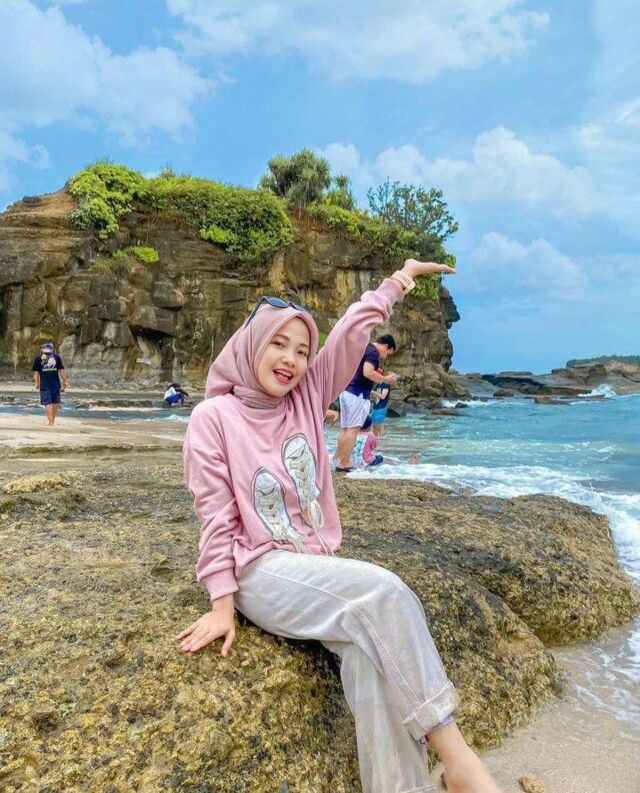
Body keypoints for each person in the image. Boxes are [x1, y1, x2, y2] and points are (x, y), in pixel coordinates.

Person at [177, 259, 502, 793]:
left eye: (303, 351)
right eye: (279, 344)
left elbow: (353, 329)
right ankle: (459, 759)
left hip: (313, 568)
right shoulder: (212, 418)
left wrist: (399, 279)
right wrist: (221, 604)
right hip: (259, 571)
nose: (291, 360)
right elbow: (214, 514)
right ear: (251, 344)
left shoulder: (306, 397)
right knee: (385, 591)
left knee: (369, 658)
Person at [334, 334, 398, 472]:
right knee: (353, 429)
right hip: (357, 394)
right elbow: (367, 372)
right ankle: (344, 463)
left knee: (345, 428)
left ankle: (339, 459)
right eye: (388, 353)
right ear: (386, 346)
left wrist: (377, 374)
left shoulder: (364, 347)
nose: (385, 356)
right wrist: (386, 379)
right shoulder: (373, 352)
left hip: (346, 390)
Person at [32, 342, 69, 427]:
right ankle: (52, 421)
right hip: (55, 384)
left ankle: (51, 422)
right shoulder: (56, 357)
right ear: (52, 349)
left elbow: (36, 373)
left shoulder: (38, 358)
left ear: (42, 349)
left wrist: (36, 382)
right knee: (55, 402)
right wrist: (65, 381)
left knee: (47, 403)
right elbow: (61, 370)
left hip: (45, 384)